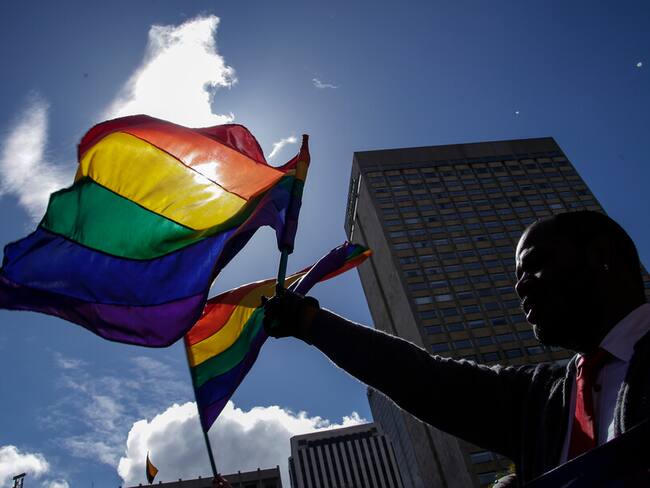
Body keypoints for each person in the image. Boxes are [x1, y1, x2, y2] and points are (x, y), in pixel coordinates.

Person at [263, 211, 650, 486]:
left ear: (601, 258)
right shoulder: (541, 398)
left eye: (534, 266)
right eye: (518, 277)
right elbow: (426, 380)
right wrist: (310, 323)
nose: (521, 286)